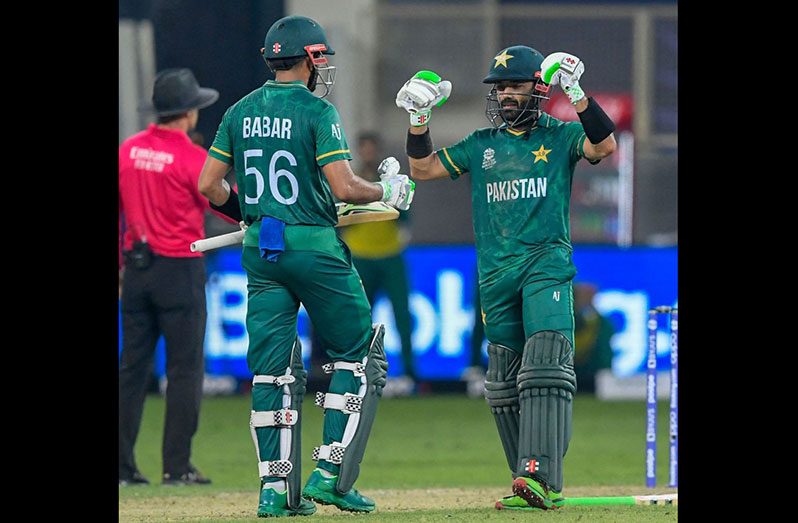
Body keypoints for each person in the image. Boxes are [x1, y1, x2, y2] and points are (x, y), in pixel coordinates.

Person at [197, 15, 415, 518]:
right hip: (314, 248)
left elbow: (210, 185)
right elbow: (344, 188)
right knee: (359, 356)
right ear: (312, 58)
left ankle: (274, 493)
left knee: (271, 373)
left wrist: (252, 212)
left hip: (262, 249)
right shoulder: (318, 111)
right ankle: (329, 475)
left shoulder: (240, 110)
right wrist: (388, 190)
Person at [396, 46, 616, 510]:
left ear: (538, 89)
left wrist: (576, 93)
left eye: (515, 85)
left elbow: (604, 145)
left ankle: (541, 474)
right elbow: (422, 168)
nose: (506, 94)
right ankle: (527, 480)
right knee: (503, 382)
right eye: (500, 87)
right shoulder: (482, 144)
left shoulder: (559, 137)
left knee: (545, 367)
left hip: (545, 266)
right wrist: (418, 120)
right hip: (495, 274)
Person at [119, 68, 237, 486]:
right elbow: (226, 207)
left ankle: (122, 467)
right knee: (185, 370)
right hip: (180, 270)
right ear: (187, 113)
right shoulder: (192, 158)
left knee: (131, 370)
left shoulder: (128, 151)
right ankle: (176, 466)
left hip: (136, 268)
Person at [339, 132, 417, 396]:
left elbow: (405, 210)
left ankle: (409, 372)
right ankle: (357, 371)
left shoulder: (391, 181)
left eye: (372, 148)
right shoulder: (349, 180)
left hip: (390, 253)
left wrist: (404, 230)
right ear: (360, 152)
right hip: (360, 255)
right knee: (359, 318)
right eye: (365, 149)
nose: (369, 153)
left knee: (402, 316)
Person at [572, 282, 614, 394]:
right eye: (583, 295)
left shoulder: (600, 322)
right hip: (571, 371)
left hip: (594, 373)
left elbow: (605, 349)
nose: (587, 299)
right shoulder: (567, 319)